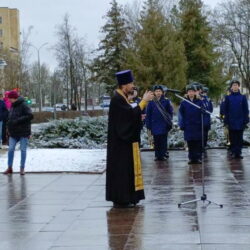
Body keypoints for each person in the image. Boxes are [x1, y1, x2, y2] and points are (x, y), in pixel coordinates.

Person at [106, 69, 153, 208]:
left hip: (123, 144)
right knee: (122, 172)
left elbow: (129, 113)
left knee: (127, 171)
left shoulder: (122, 98)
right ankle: (122, 198)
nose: (133, 86)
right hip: (120, 145)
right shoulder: (117, 99)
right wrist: (143, 102)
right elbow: (127, 116)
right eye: (131, 83)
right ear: (124, 85)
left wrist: (136, 109)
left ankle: (128, 197)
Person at [3, 91, 34, 175]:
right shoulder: (12, 106)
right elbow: (10, 118)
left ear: (14, 98)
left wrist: (17, 121)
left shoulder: (24, 105)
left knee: (23, 150)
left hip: (24, 132)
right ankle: (9, 167)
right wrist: (8, 128)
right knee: (10, 149)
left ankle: (22, 168)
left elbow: (30, 115)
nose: (9, 100)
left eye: (10, 98)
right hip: (13, 132)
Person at [146, 85, 173, 161]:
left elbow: (170, 112)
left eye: (159, 91)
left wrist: (169, 121)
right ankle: (157, 155)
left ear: (162, 92)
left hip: (163, 124)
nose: (158, 93)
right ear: (154, 92)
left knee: (163, 141)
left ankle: (163, 154)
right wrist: (148, 125)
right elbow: (148, 114)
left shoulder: (166, 101)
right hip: (154, 124)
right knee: (156, 141)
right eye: (157, 91)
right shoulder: (151, 102)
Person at [224, 80, 249, 159]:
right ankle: (234, 152)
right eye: (233, 85)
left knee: (239, 138)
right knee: (232, 138)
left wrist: (246, 120)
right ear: (231, 87)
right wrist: (226, 121)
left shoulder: (243, 97)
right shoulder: (228, 97)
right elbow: (226, 110)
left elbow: (246, 110)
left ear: (239, 86)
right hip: (231, 121)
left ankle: (238, 153)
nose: (235, 86)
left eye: (236, 85)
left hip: (240, 121)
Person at [178, 84, 203, 164]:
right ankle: (191, 158)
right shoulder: (184, 102)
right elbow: (181, 114)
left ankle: (198, 157)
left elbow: (206, 110)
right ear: (187, 93)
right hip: (188, 125)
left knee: (197, 142)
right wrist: (182, 124)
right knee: (190, 142)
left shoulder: (199, 101)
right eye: (189, 91)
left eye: (192, 91)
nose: (191, 93)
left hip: (197, 125)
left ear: (195, 92)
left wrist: (203, 108)